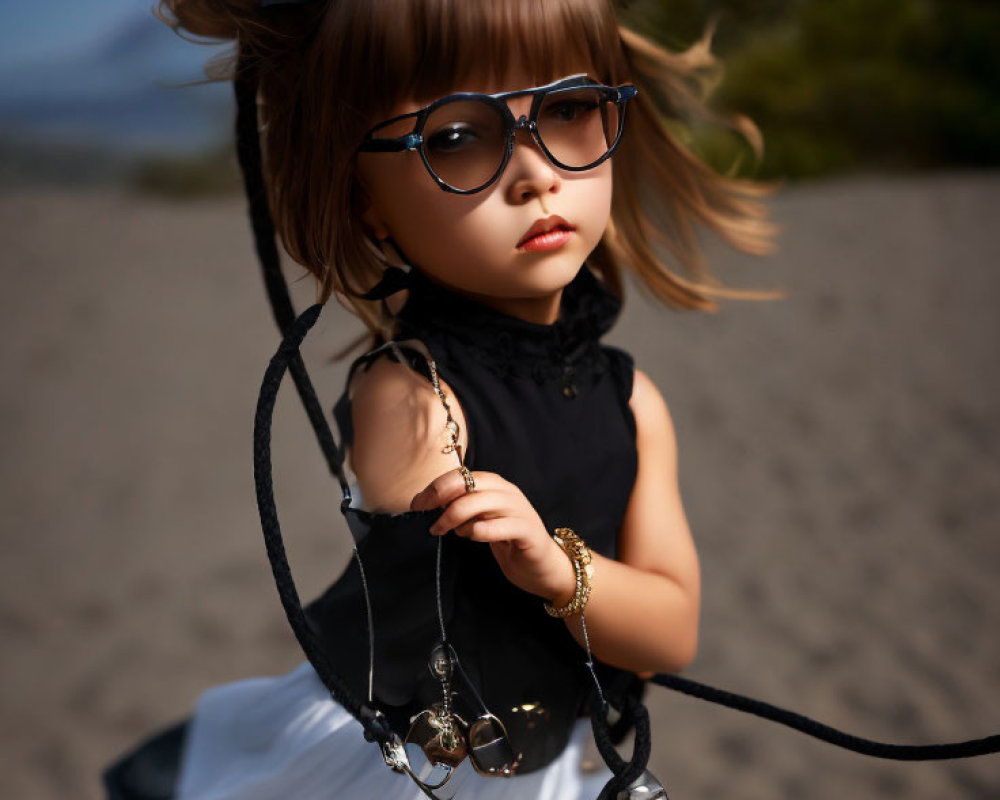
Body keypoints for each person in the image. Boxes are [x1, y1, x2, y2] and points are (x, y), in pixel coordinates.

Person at [105, 0, 774, 797]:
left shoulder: (634, 402)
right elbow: (424, 623)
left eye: (567, 110)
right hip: (412, 765)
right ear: (365, 201)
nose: (535, 174)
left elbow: (670, 635)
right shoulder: (415, 398)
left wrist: (559, 572)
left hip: (544, 765)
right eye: (455, 137)